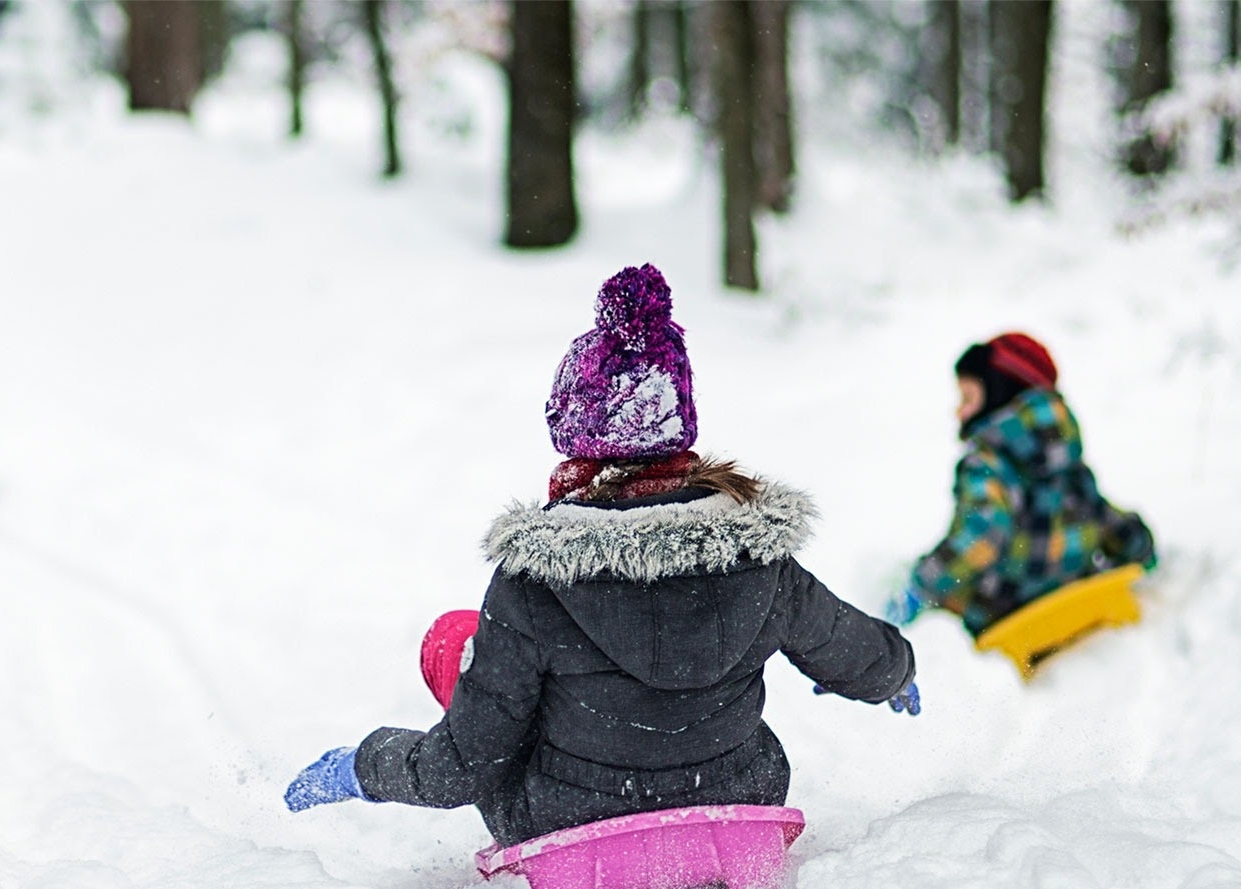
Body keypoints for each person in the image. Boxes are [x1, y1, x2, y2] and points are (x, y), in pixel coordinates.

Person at [282, 265, 918, 850]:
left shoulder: (536, 581)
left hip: (565, 821)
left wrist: (365, 766)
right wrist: (895, 672)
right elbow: (852, 647)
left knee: (456, 642)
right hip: (735, 798)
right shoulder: (758, 558)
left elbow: (464, 769)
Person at [887, 333, 1156, 636]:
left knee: (926, 595)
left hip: (1004, 615)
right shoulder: (1066, 456)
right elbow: (1097, 512)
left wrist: (922, 585)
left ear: (999, 393)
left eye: (967, 398)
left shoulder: (985, 463)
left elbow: (981, 539)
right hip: (1073, 595)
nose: (958, 411)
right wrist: (1138, 546)